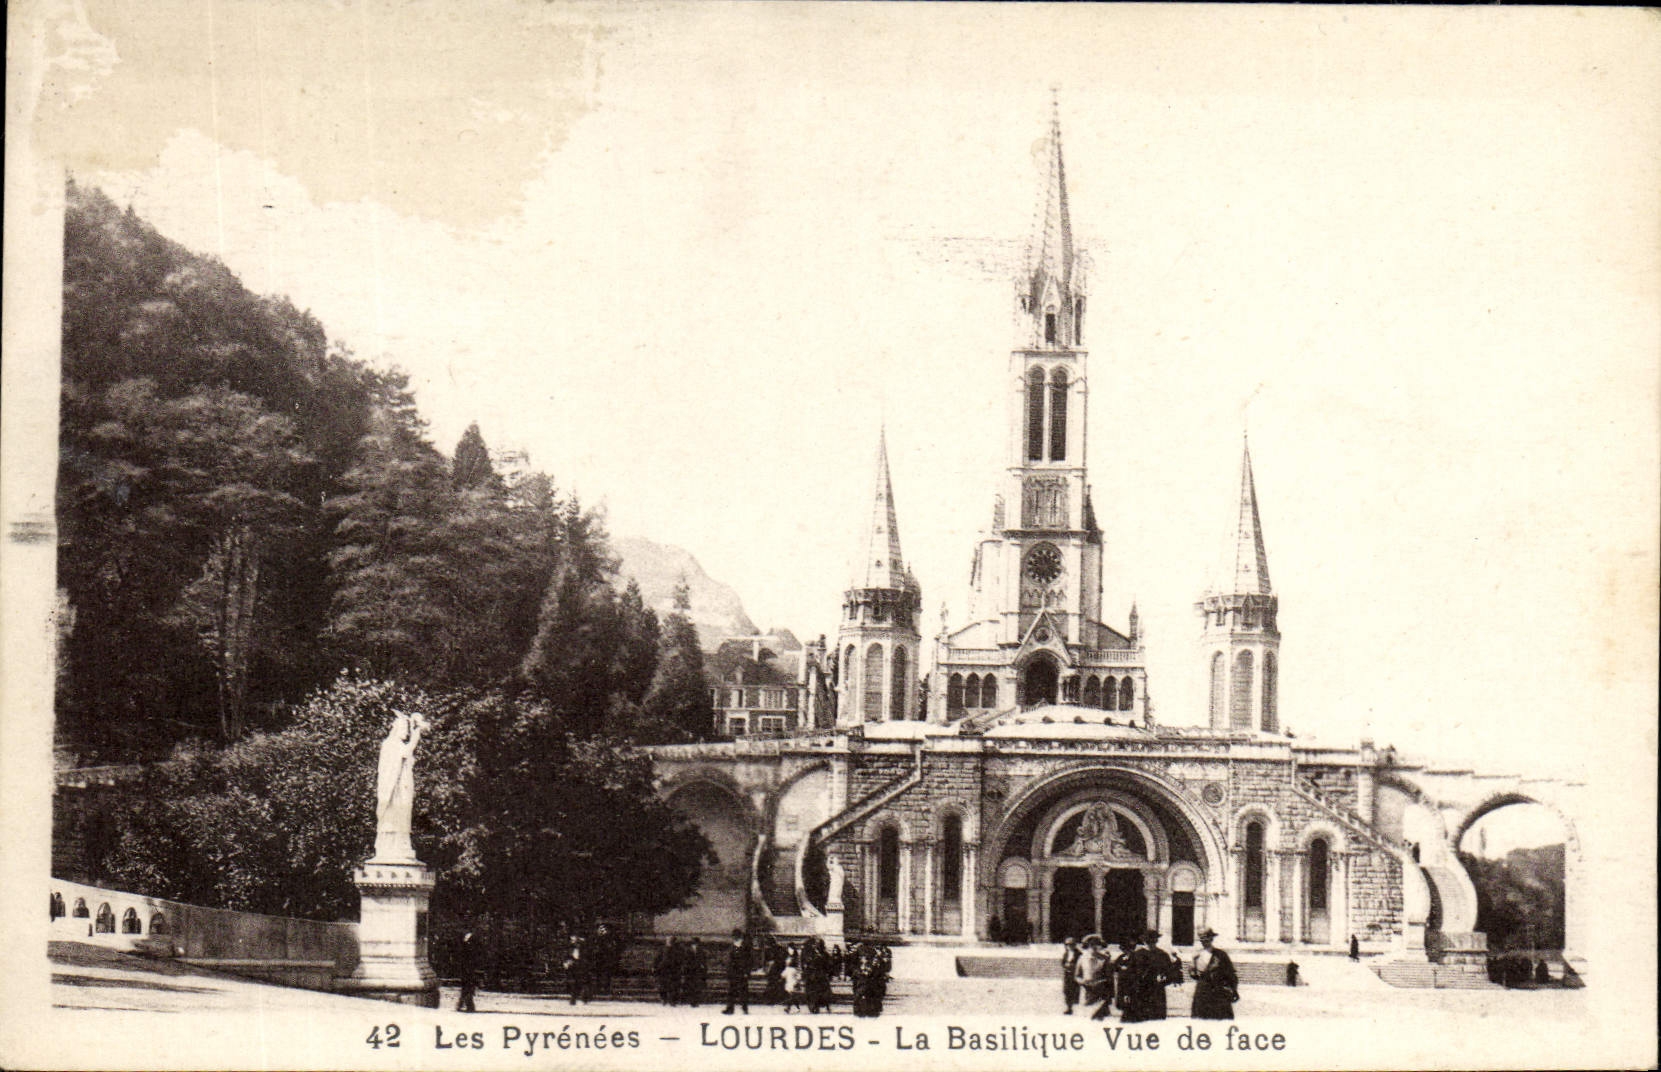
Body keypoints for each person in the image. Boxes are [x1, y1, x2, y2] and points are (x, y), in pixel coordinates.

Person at [1189, 927, 1238, 1020]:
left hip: (1218, 992)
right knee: (1201, 1020)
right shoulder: (1197, 955)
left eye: (1207, 938)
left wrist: (1234, 990)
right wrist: (1193, 962)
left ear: (1211, 939)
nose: (1204, 941)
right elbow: (1194, 975)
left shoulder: (1221, 955)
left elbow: (1231, 974)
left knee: (1219, 1020)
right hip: (1202, 993)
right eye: (1202, 939)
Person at [722, 928, 753, 1014]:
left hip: (741, 973)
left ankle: (744, 1008)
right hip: (734, 973)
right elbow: (729, 961)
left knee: (743, 992)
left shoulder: (745, 949)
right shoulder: (732, 948)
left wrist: (747, 972)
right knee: (732, 991)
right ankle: (731, 1008)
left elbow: (749, 961)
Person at [456, 930, 479, 1013]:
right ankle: (466, 1004)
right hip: (467, 965)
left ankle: (465, 1004)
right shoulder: (469, 939)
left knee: (467, 985)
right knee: (467, 985)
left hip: (468, 966)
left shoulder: (469, 939)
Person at [682, 937, 707, 1006]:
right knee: (691, 986)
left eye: (697, 944)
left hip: (698, 971)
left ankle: (695, 1001)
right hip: (690, 971)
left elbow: (703, 961)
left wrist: (704, 968)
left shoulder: (701, 951)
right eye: (695, 944)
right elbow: (686, 961)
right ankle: (692, 1001)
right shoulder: (688, 951)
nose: (696, 945)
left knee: (697, 986)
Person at [1060, 937, 1082, 1014]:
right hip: (1067, 974)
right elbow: (1062, 962)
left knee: (1074, 991)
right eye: (1068, 945)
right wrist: (1065, 965)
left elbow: (1080, 964)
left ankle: (1072, 1007)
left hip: (1075, 974)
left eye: (1071, 945)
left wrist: (1073, 966)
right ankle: (1068, 1007)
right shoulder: (1066, 953)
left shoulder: (1078, 954)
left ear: (1074, 945)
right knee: (1066, 991)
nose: (1069, 946)